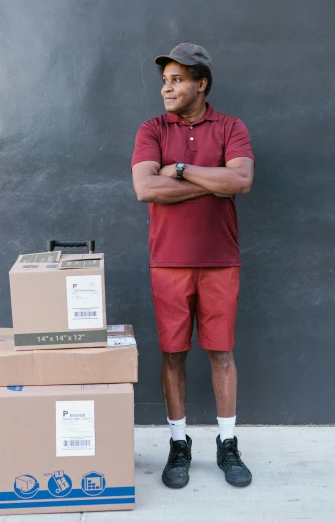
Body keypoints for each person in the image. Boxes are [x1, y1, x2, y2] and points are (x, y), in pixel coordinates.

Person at [130, 43, 255, 488]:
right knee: (172, 354)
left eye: (177, 80)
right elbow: (146, 189)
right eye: (165, 80)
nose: (167, 88)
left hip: (221, 260)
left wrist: (180, 169)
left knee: (221, 353)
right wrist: (211, 180)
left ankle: (228, 442)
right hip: (168, 262)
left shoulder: (231, 126)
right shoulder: (151, 129)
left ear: (201, 83)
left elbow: (240, 180)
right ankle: (178, 444)